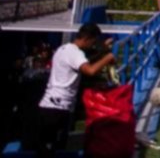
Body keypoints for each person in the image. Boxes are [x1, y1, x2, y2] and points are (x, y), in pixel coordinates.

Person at [32, 23, 116, 155]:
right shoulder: (75, 54)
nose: (92, 45)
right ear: (87, 38)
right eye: (93, 42)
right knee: (49, 149)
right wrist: (108, 57)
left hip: (48, 105)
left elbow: (87, 59)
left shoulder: (63, 49)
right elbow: (90, 70)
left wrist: (102, 49)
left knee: (47, 148)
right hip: (57, 108)